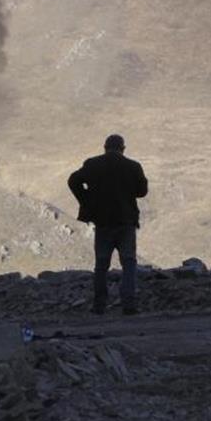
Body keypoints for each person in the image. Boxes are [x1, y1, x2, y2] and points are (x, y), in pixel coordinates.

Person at [68, 134, 148, 315]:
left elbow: (73, 181)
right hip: (126, 222)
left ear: (105, 147)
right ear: (123, 149)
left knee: (101, 265)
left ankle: (99, 306)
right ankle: (129, 304)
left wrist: (86, 201)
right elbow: (142, 191)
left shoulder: (92, 164)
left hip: (103, 222)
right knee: (129, 263)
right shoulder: (133, 166)